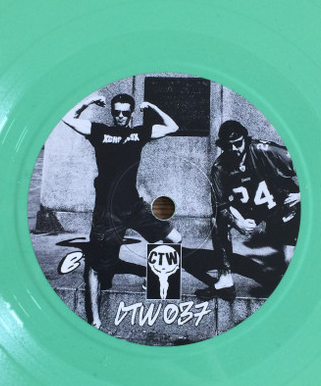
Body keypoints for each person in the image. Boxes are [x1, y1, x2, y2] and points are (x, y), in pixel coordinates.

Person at [62, 92, 182, 328]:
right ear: (112, 113)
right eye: (116, 112)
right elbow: (68, 118)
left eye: (125, 113)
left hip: (134, 206)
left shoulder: (139, 133)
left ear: (130, 114)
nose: (120, 116)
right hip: (107, 211)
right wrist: (88, 101)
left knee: (174, 238)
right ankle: (95, 321)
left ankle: (154, 286)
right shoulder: (99, 131)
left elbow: (173, 126)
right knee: (96, 266)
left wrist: (153, 106)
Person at [197, 120, 300, 299]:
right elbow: (221, 207)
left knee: (289, 261)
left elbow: (309, 164)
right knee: (217, 220)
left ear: (246, 139)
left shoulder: (264, 150)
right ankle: (225, 279)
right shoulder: (219, 167)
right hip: (252, 208)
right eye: (228, 146)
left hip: (281, 205)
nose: (234, 149)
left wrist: (303, 194)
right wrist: (238, 222)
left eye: (238, 143)